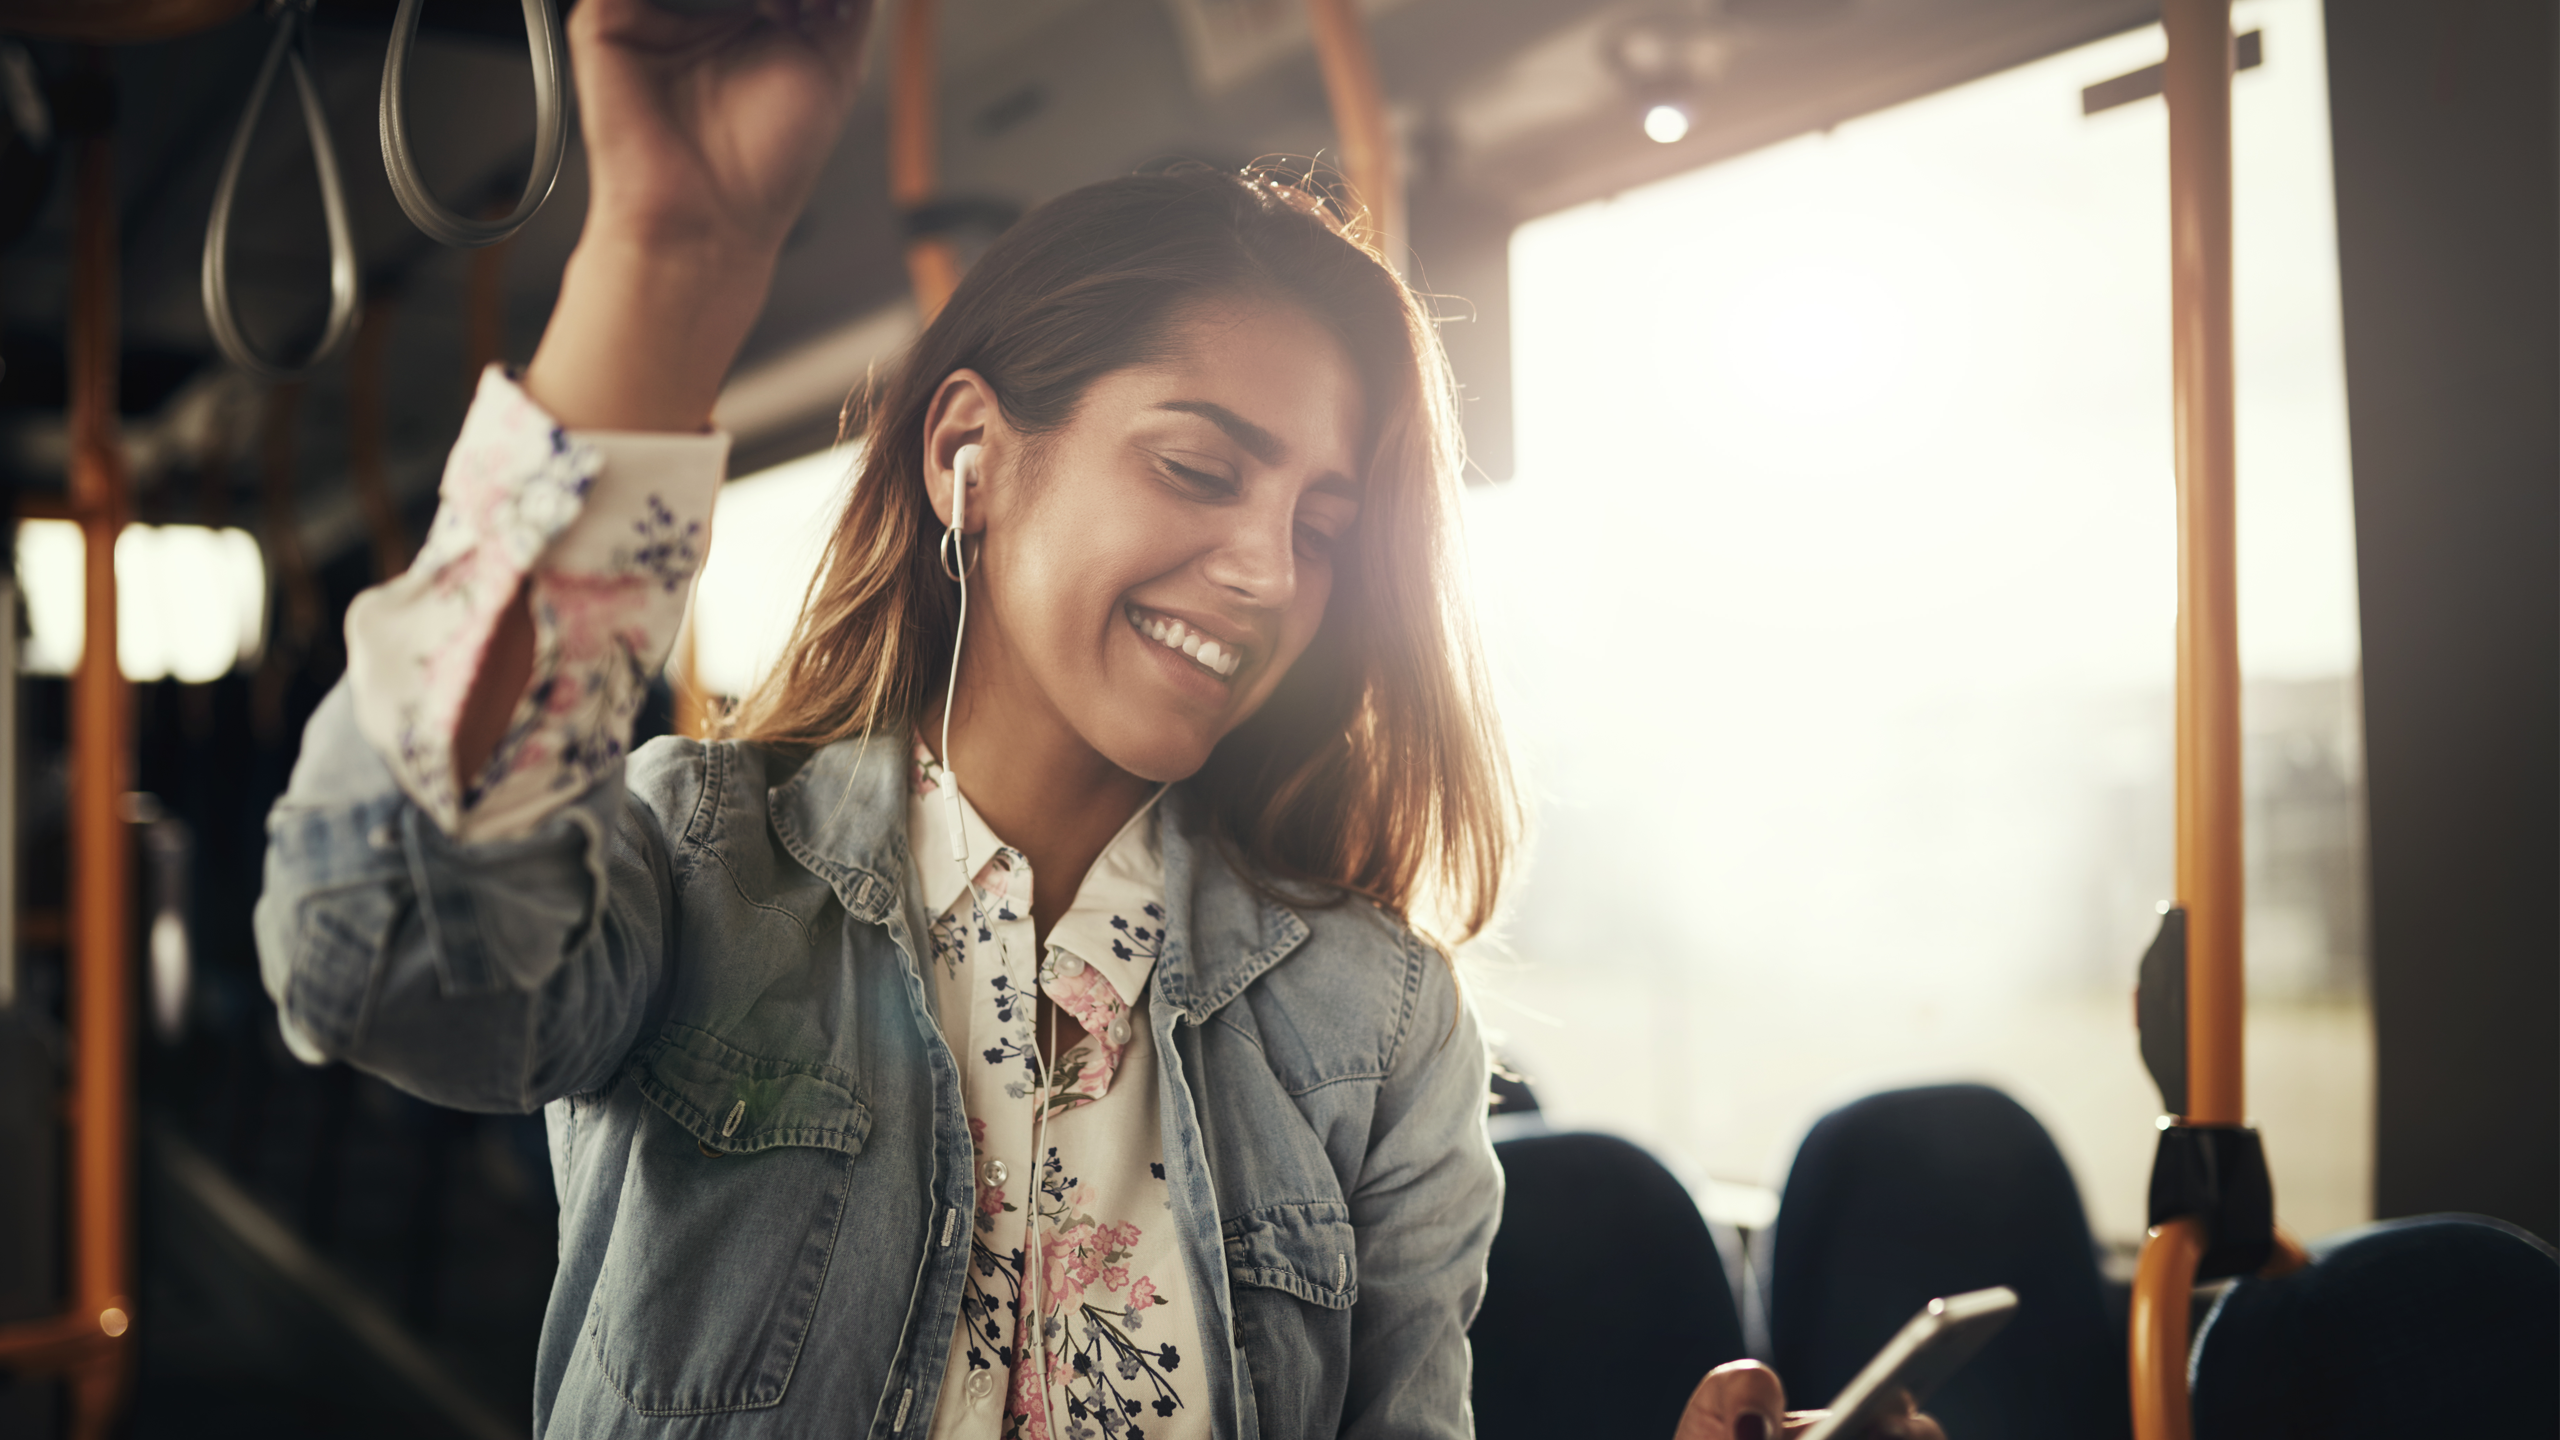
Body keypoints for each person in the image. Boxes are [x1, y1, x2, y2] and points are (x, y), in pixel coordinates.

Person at [253, 0, 1947, 1436]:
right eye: (1200, 467)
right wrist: (668, 266)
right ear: (968, 456)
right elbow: (373, 952)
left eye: (1325, 527)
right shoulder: (705, 860)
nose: (1271, 570)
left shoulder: (1377, 1022)